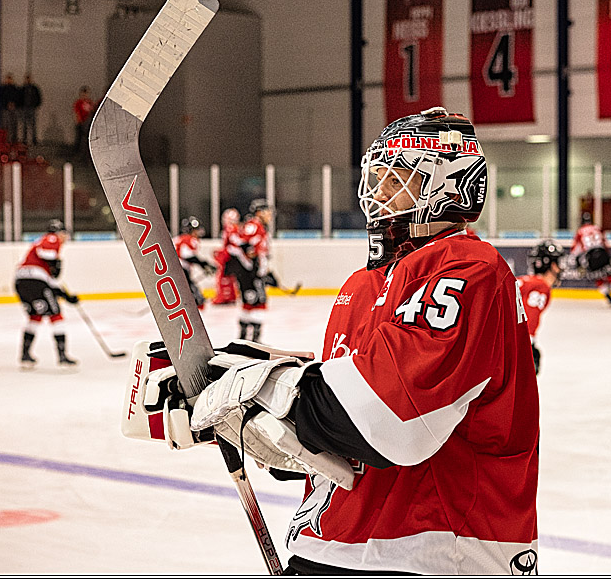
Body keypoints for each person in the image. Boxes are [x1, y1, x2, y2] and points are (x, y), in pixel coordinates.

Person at [133, 107, 539, 574]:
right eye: (378, 177)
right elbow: (338, 427)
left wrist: (254, 392)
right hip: (333, 544)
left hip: (436, 551)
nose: (376, 193)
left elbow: (391, 417)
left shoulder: (468, 269)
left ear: (451, 187)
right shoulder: (360, 286)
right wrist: (242, 415)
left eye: (397, 178)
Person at [14, 219, 80, 369]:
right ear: (60, 232)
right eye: (65, 235)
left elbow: (50, 281)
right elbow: (45, 252)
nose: (65, 239)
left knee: (35, 316)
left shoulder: (38, 242)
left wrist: (65, 295)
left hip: (21, 281)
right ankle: (62, 357)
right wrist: (53, 260)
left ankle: (25, 356)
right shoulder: (52, 239)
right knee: (56, 314)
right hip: (35, 282)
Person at [225, 199, 275, 341]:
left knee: (256, 300)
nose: (269, 215)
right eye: (267, 211)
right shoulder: (253, 225)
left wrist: (265, 270)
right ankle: (249, 337)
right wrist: (253, 266)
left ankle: (250, 337)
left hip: (254, 271)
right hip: (248, 272)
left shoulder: (259, 226)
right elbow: (241, 243)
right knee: (254, 300)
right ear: (259, 212)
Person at [518, 240, 565, 375]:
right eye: (559, 263)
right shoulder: (540, 287)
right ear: (552, 265)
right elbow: (528, 320)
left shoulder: (528, 281)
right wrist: (527, 347)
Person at [571, 211, 611, 307]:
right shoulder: (597, 228)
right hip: (602, 253)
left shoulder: (580, 232)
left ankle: (610, 300)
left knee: (598, 278)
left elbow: (576, 249)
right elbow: (605, 243)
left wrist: (577, 263)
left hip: (591, 257)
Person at [173, 216, 218, 310]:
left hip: (176, 267)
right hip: (181, 268)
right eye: (195, 230)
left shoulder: (180, 238)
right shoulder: (189, 239)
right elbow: (187, 256)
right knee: (192, 294)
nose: (198, 232)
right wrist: (204, 264)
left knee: (187, 289)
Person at [211, 208, 240, 305]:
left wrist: (222, 253)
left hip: (230, 256)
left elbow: (232, 245)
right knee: (230, 277)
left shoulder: (230, 229)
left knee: (223, 276)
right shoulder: (236, 228)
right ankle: (231, 296)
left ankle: (224, 296)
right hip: (233, 256)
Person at [20, 72, 42, 146]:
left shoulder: (34, 88)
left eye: (29, 79)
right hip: (24, 108)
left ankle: (34, 140)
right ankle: (24, 140)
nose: (28, 80)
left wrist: (36, 105)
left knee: (33, 125)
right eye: (27, 79)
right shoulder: (22, 88)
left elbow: (39, 97)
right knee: (24, 125)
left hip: (32, 108)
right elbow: (19, 98)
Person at [72, 86, 96, 156]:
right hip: (81, 123)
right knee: (80, 138)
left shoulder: (89, 102)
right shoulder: (78, 103)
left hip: (88, 122)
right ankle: (79, 152)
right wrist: (79, 121)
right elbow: (76, 112)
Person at [0, 72, 21, 143]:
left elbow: (18, 98)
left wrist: (14, 104)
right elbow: (1, 98)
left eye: (10, 79)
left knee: (14, 124)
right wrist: (7, 104)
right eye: (8, 79)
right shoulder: (3, 88)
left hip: (14, 108)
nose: (9, 80)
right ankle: (6, 139)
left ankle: (13, 139)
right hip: (6, 108)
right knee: (6, 124)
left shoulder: (15, 89)